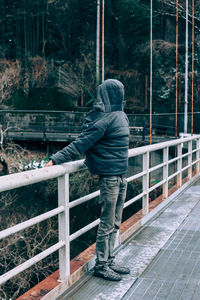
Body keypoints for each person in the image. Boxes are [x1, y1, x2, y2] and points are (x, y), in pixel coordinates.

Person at [45, 79, 130, 281]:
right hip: (109, 178)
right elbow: (81, 144)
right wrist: (55, 159)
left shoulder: (120, 115)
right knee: (107, 222)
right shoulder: (105, 119)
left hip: (120, 176)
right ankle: (101, 265)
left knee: (115, 222)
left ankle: (109, 259)